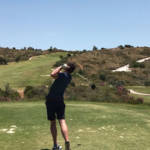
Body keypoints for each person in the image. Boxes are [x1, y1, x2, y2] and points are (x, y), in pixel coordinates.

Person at [45, 62, 76, 150]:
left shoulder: (62, 75)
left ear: (67, 68)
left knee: (53, 122)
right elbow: (55, 74)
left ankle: (55, 145)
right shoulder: (69, 77)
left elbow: (52, 74)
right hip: (60, 100)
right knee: (62, 121)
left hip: (51, 100)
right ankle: (66, 140)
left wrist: (61, 66)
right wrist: (64, 68)